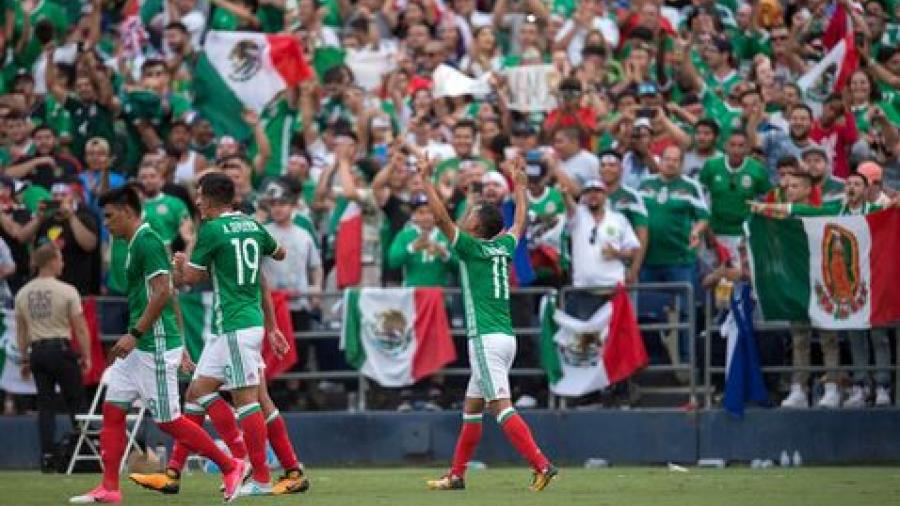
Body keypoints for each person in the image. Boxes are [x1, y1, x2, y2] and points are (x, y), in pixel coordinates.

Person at [70, 187, 245, 503]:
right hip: (143, 343)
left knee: (168, 420)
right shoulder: (138, 242)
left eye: (109, 216)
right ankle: (110, 488)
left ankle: (230, 465)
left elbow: (163, 292)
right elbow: (170, 294)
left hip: (154, 344)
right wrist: (181, 344)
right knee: (112, 410)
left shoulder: (148, 242)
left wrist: (136, 334)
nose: (106, 223)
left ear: (126, 211)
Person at [420, 155, 557, 492]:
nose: (464, 217)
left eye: (470, 215)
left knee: (500, 408)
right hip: (504, 338)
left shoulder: (470, 248)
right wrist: (521, 189)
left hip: (484, 338)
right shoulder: (503, 246)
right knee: (472, 408)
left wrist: (426, 181)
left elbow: (439, 218)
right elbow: (520, 224)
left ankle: (541, 465)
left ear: (476, 227)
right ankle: (456, 475)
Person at [171, 172, 288, 496]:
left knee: (247, 399)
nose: (196, 201)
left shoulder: (211, 229)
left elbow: (190, 279)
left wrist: (180, 262)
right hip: (235, 326)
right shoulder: (252, 224)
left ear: (208, 198)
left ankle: (260, 477)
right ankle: (185, 470)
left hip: (236, 323)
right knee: (197, 391)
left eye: (198, 195)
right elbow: (280, 254)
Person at [15, 243, 90, 472]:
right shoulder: (67, 291)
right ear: (51, 261)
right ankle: (82, 454)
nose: (63, 263)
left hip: (37, 352)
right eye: (60, 259)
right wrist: (86, 355)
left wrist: (25, 358)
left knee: (45, 406)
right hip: (60, 349)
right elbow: (80, 328)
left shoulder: (23, 293)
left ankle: (47, 456)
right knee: (76, 403)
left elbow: (21, 332)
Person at [638, 145, 709, 365]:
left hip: (679, 260)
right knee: (645, 313)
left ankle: (687, 363)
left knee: (685, 313)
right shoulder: (644, 184)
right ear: (660, 161)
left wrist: (696, 232)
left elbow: (704, 216)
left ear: (681, 163)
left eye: (675, 160)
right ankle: (651, 361)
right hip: (647, 260)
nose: (670, 163)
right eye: (667, 159)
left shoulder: (691, 186)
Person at [699, 130, 771, 257]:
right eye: (732, 145)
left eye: (741, 145)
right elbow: (701, 200)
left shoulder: (757, 169)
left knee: (740, 275)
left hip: (743, 234)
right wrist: (706, 229)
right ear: (725, 146)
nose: (736, 150)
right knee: (711, 274)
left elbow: (766, 202)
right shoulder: (711, 166)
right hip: (713, 231)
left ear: (748, 148)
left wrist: (752, 232)